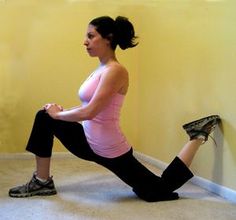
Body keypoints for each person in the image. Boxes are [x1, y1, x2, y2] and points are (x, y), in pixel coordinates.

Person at [9, 16, 221, 202]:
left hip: (108, 148)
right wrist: (57, 113)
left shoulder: (116, 71)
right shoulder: (101, 68)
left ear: (108, 38)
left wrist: (59, 115)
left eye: (91, 36)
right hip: (89, 139)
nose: (85, 41)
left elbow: (90, 112)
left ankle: (197, 136)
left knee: (157, 191)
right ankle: (42, 181)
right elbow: (90, 108)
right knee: (45, 117)